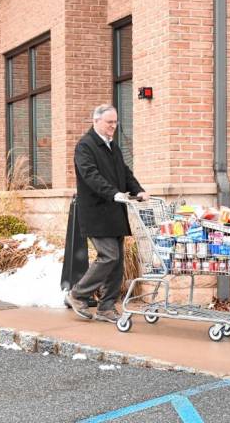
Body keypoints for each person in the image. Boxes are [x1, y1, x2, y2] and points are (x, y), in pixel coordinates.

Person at [66, 104, 149, 323]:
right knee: (109, 256)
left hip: (115, 212)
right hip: (96, 213)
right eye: (109, 122)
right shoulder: (85, 146)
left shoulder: (113, 146)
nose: (113, 126)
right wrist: (113, 193)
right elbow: (90, 176)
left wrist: (137, 190)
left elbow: (125, 172)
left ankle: (106, 307)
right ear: (96, 121)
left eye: (115, 122)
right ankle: (77, 294)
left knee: (117, 260)